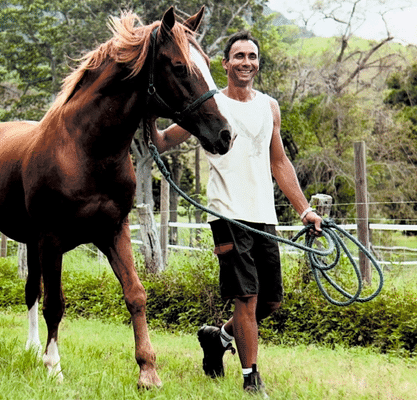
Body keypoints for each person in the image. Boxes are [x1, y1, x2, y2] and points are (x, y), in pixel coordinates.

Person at [151, 30, 323, 395]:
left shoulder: (269, 106)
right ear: (225, 64)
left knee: (270, 301)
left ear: (257, 63)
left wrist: (304, 209)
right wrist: (148, 115)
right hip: (227, 214)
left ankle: (220, 337)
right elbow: (164, 141)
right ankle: (251, 378)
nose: (246, 62)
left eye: (252, 56)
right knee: (245, 297)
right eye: (239, 56)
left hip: (264, 217)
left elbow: (278, 162)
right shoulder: (211, 106)